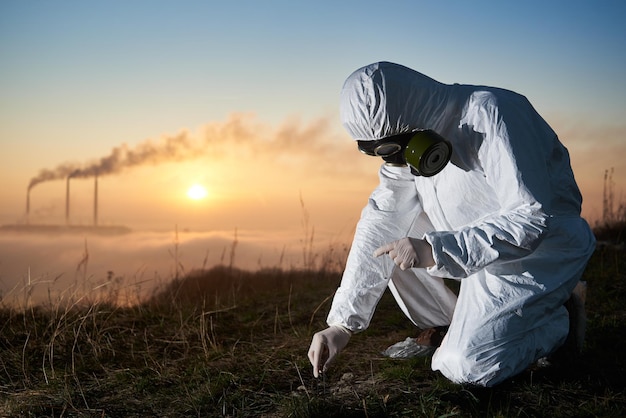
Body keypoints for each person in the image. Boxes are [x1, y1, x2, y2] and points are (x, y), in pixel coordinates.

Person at [307, 61, 595, 387]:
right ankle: (448, 324)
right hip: (468, 246)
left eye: (396, 148)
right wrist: (342, 325)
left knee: (466, 366)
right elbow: (381, 222)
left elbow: (532, 217)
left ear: (412, 118)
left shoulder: (493, 115)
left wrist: (436, 251)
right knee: (392, 234)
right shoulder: (411, 139)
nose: (398, 160)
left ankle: (557, 321)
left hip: (537, 253)